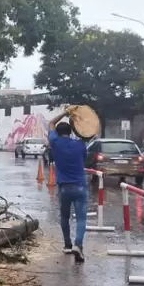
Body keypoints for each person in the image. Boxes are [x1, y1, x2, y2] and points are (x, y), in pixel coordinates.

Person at [47, 107, 88, 263]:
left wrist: (66, 113)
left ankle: (67, 244)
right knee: (81, 219)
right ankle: (78, 244)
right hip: (79, 186)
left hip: (63, 187)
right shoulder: (80, 145)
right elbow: (84, 155)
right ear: (70, 132)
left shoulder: (55, 142)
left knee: (64, 217)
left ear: (57, 132)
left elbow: (51, 122)